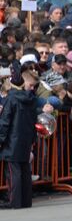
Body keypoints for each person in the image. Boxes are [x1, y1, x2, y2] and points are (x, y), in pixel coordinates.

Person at [0, 71, 38, 209]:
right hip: (25, 139)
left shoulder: (11, 99)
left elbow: (5, 122)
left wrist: (0, 139)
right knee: (24, 169)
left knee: (13, 172)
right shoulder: (31, 98)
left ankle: (14, 201)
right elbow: (34, 120)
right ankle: (26, 201)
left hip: (12, 140)